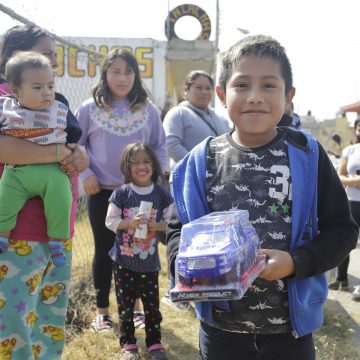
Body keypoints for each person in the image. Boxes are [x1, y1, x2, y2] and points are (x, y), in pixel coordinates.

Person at [167, 35, 358, 360]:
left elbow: (342, 231)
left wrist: (295, 262)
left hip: (289, 333)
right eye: (242, 85)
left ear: (288, 98)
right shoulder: (201, 162)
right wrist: (185, 269)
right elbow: (176, 230)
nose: (255, 96)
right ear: (222, 96)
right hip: (221, 332)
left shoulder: (307, 156)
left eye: (269, 85)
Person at [0, 24, 88, 360]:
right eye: (44, 54)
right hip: (17, 235)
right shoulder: (6, 101)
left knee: (49, 320)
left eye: (54, 55)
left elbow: (73, 143)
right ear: (14, 58)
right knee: (14, 323)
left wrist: (81, 156)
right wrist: (55, 155)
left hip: (57, 233)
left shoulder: (54, 100)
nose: (52, 61)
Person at [76, 48, 168, 332]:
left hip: (139, 195)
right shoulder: (89, 109)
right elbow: (76, 144)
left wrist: (157, 177)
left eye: (128, 71)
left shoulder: (148, 110)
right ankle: (102, 312)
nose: (122, 77)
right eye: (115, 70)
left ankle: (136, 309)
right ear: (104, 74)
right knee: (105, 250)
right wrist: (86, 173)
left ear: (136, 76)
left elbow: (159, 146)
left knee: (139, 251)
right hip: (101, 192)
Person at [0, 51, 82, 266]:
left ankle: (57, 243)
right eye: (37, 88)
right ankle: (2, 238)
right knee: (3, 204)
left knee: (61, 201)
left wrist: (73, 149)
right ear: (16, 91)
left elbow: (74, 134)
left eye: (50, 86)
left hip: (52, 172)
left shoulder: (59, 109)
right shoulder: (5, 108)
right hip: (16, 172)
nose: (46, 93)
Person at [162, 70, 230, 310]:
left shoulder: (220, 118)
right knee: (184, 235)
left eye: (208, 88)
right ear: (186, 89)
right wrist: (194, 170)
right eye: (198, 87)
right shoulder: (178, 113)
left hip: (215, 185)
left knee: (208, 238)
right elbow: (171, 143)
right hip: (185, 184)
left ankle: (205, 286)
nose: (204, 92)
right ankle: (176, 290)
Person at [105, 141, 173, 360]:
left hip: (149, 263)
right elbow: (110, 221)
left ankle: (154, 343)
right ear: (127, 167)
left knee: (152, 306)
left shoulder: (161, 195)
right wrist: (128, 223)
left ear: (153, 165)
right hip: (124, 260)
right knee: (125, 306)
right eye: (136, 162)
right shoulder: (121, 194)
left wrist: (159, 226)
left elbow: (173, 221)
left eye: (146, 161)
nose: (142, 166)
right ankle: (128, 344)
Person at [328, 118, 360, 301]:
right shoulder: (350, 150)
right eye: (359, 126)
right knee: (346, 241)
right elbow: (340, 176)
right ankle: (341, 278)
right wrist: (356, 182)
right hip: (351, 202)